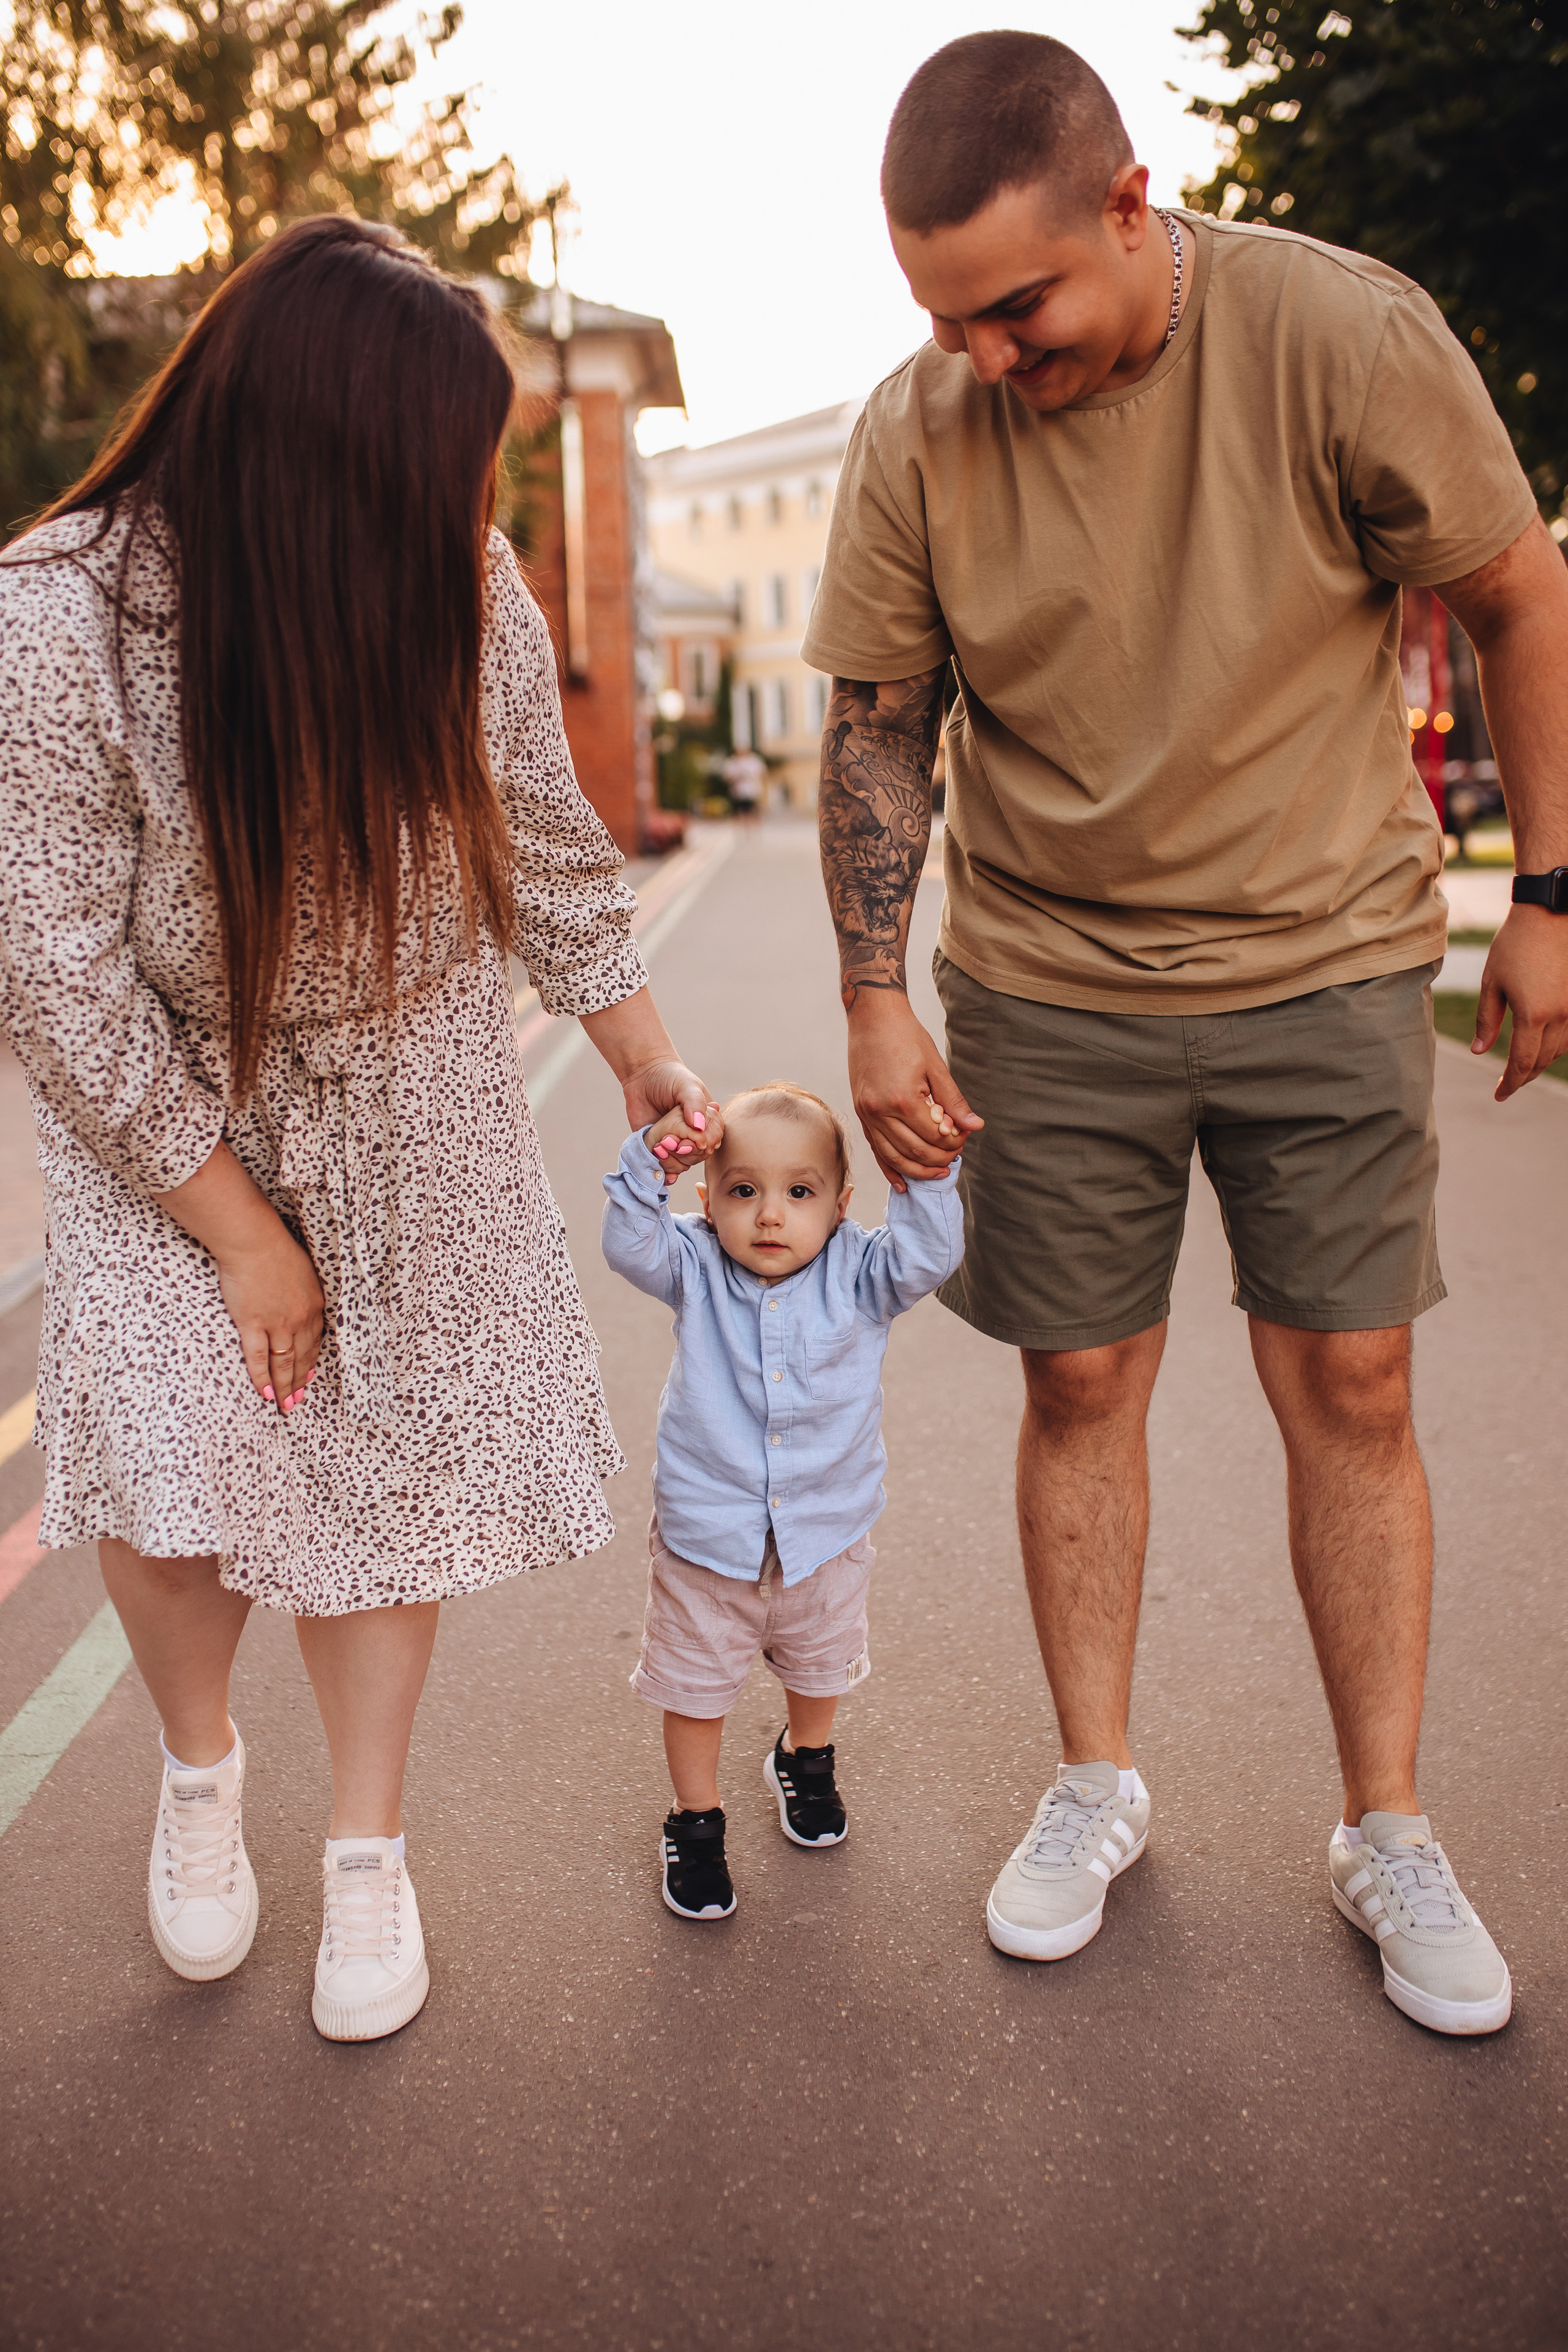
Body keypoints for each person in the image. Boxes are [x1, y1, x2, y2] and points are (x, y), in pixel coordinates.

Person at [804, 31, 1568, 2036]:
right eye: (943, 318)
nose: (984, 356)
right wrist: (876, 998)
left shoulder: (1341, 337)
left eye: (1017, 305)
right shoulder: (920, 429)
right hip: (1050, 991)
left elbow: (1517, 592)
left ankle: (1385, 1827)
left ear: (1131, 208)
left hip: (1322, 955)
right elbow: (882, 719)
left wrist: (1554, 895)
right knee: (1081, 1388)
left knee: (1359, 1384)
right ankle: (1094, 1783)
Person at [0, 216, 715, 2042]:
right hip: (161, 1101)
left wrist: (640, 1052)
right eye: (435, 468)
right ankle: (196, 1770)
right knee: (168, 1471)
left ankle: (371, 1856)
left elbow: (550, 847)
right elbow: (54, 974)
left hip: (411, 1088)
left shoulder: (459, 581)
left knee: (386, 1493)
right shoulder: (56, 617)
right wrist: (240, 1231)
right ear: (314, 449)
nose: (466, 512)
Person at [600, 1082, 963, 1918]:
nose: (770, 1216)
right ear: (706, 1201)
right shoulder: (691, 1263)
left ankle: (806, 1755)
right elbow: (629, 1243)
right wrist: (650, 1163)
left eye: (798, 1193)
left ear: (841, 1205)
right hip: (708, 1538)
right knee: (694, 1687)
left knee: (820, 1660)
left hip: (826, 1531)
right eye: (742, 1191)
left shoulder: (864, 1272)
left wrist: (926, 1176)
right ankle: (695, 1823)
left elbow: (930, 1257)